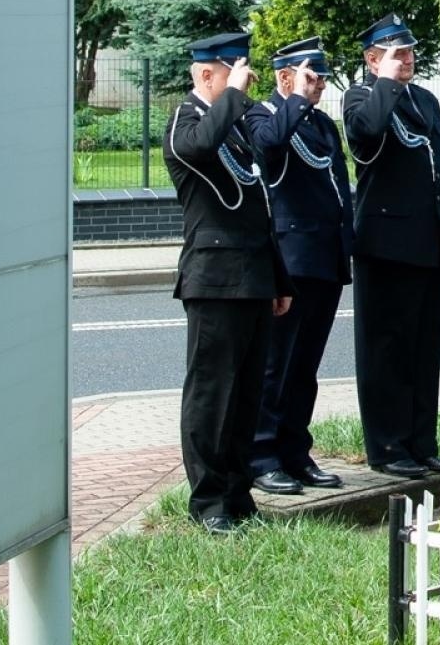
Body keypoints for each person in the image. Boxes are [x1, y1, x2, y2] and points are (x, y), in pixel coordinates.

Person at [163, 32, 293, 534]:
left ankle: (239, 495)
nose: (243, 81)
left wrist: (280, 280)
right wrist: (235, 96)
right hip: (214, 279)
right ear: (206, 74)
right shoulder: (186, 119)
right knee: (212, 393)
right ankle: (209, 500)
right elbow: (196, 148)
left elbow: (260, 211)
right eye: (231, 71)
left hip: (255, 277)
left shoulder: (232, 128)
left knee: (245, 396)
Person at [342, 13, 440, 479]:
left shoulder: (426, 100)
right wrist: (384, 81)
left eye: (410, 52)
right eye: (397, 54)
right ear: (372, 59)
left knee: (423, 348)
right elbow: (368, 133)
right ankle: (387, 447)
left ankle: (422, 443)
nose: (408, 61)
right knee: (386, 351)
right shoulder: (360, 98)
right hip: (385, 245)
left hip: (428, 242)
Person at [245, 37, 354, 495]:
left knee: (305, 365)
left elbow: (338, 186)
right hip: (291, 259)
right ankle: (263, 455)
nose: (319, 85)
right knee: (276, 365)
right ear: (285, 77)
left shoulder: (322, 125)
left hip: (326, 257)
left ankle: (295, 450)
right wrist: (294, 100)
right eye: (311, 76)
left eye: (322, 78)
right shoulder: (262, 115)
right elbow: (268, 150)